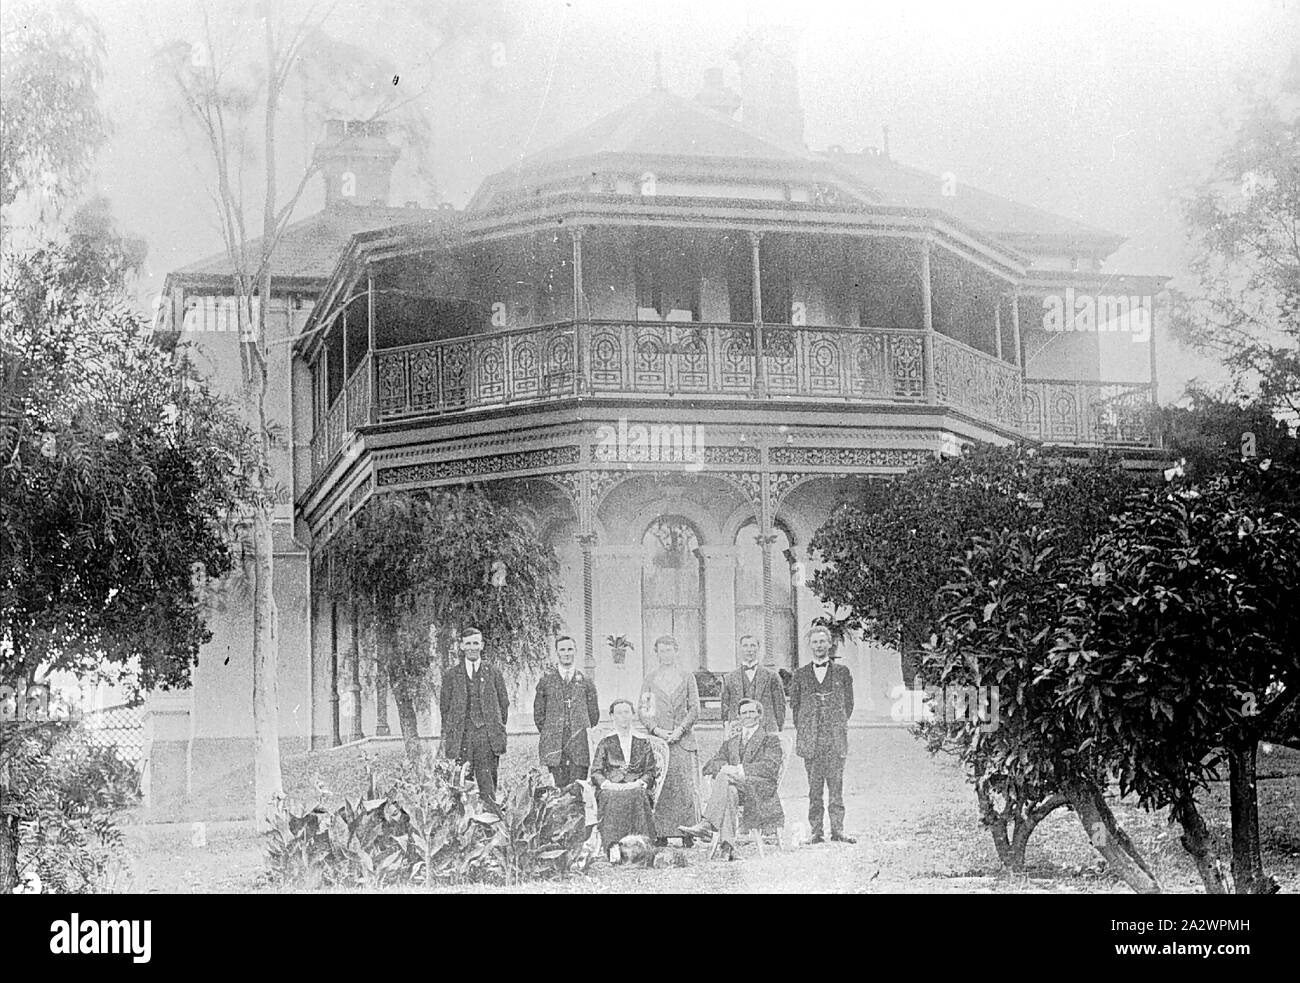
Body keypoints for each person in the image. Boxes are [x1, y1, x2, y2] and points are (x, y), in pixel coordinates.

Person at [679, 698, 784, 861]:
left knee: (726, 776)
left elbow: (770, 767)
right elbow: (710, 765)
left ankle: (707, 824)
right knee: (729, 790)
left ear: (759, 715)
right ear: (739, 717)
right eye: (744, 713)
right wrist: (724, 767)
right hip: (736, 789)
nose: (748, 716)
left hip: (759, 788)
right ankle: (728, 847)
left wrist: (738, 769)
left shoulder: (769, 739)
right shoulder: (731, 742)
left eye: (751, 712)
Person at [787, 625, 856, 844]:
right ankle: (816, 832)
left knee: (836, 788)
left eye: (822, 642)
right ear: (810, 645)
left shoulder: (842, 672)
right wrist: (808, 728)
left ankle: (838, 830)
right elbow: (796, 707)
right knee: (814, 790)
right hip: (812, 742)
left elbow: (849, 705)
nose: (819, 646)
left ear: (829, 644)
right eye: (815, 642)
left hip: (834, 740)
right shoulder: (800, 674)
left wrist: (835, 724)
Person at [638, 635, 701, 846]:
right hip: (660, 742)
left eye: (669, 650)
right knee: (661, 786)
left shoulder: (687, 677)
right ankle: (662, 833)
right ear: (656, 653)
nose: (666, 655)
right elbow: (644, 710)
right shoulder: (650, 679)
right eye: (661, 651)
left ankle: (687, 834)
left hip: (683, 741)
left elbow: (694, 708)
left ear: (676, 651)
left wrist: (680, 730)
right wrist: (656, 730)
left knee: (684, 786)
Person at [439, 627, 510, 803]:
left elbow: (504, 704)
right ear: (462, 646)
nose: (472, 647)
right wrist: (454, 731)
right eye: (468, 643)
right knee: (460, 788)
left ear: (482, 645)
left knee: (488, 788)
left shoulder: (493, 673)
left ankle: (490, 825)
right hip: (461, 738)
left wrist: (494, 728)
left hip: (487, 739)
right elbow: (445, 708)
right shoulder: (451, 675)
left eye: (476, 643)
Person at [590, 698, 659, 858]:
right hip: (611, 788)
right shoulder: (606, 742)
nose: (623, 716)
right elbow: (596, 772)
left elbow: (650, 771)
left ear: (633, 715)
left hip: (636, 787)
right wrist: (608, 784)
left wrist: (639, 783)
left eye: (627, 712)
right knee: (611, 796)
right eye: (619, 713)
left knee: (637, 794)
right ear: (612, 716)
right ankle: (614, 847)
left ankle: (641, 847)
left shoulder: (643, 742)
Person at [533, 635, 600, 787]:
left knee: (578, 788)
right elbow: (539, 715)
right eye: (562, 649)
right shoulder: (546, 681)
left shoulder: (585, 681)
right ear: (557, 652)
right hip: (555, 744)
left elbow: (593, 715)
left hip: (579, 743)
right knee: (558, 788)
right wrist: (552, 731)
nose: (566, 653)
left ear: (575, 651)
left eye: (570, 649)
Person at [720, 634, 786, 735]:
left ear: (758, 648)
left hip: (766, 729)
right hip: (739, 730)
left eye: (753, 645)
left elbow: (780, 706)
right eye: (745, 646)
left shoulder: (772, 676)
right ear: (740, 649)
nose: (749, 649)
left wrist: (778, 729)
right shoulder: (729, 678)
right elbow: (725, 709)